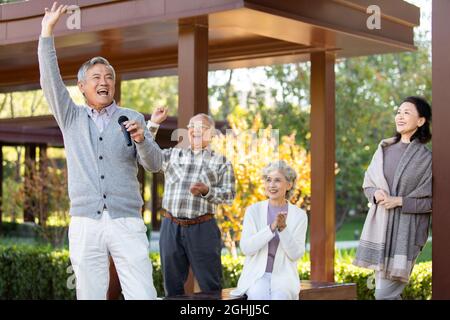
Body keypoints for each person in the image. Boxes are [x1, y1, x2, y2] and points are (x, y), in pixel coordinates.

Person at [38, 2, 162, 299]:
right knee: (89, 292)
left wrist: (143, 139)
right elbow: (50, 81)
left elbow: (155, 164)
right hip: (85, 221)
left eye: (108, 77)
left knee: (142, 292)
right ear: (82, 86)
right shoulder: (71, 117)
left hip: (126, 219)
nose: (104, 82)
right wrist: (47, 31)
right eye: (96, 78)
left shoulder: (133, 116)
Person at [146, 108, 236, 296]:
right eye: (191, 126)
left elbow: (229, 196)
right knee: (172, 286)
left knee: (211, 286)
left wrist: (207, 191)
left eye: (201, 126)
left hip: (203, 228)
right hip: (171, 226)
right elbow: (148, 156)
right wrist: (153, 124)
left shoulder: (221, 162)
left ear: (211, 133)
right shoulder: (172, 155)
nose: (195, 130)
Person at [353, 96, 432, 300]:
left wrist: (399, 201)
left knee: (384, 295)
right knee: (387, 295)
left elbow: (432, 202)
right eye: (398, 112)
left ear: (421, 121)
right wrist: (375, 194)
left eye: (407, 112)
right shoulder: (383, 149)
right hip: (380, 230)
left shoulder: (427, 158)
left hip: (405, 234)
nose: (400, 116)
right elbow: (368, 183)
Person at [231, 160, 308, 300]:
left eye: (277, 180)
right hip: (256, 276)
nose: (271, 185)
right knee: (258, 296)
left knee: (281, 297)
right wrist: (271, 228)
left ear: (289, 185)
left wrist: (283, 228)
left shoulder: (299, 216)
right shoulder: (253, 211)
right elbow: (246, 248)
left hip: (284, 278)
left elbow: (296, 254)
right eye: (268, 180)